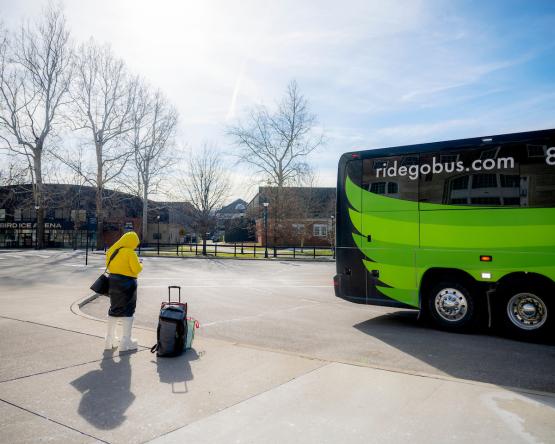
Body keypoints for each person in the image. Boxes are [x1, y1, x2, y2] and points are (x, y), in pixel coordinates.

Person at [104, 231, 143, 351]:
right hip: (128, 284)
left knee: (114, 308)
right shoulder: (130, 253)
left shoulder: (112, 251)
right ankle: (126, 341)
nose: (136, 246)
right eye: (135, 243)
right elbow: (136, 269)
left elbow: (109, 266)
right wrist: (140, 263)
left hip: (113, 281)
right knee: (128, 310)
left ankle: (109, 339)